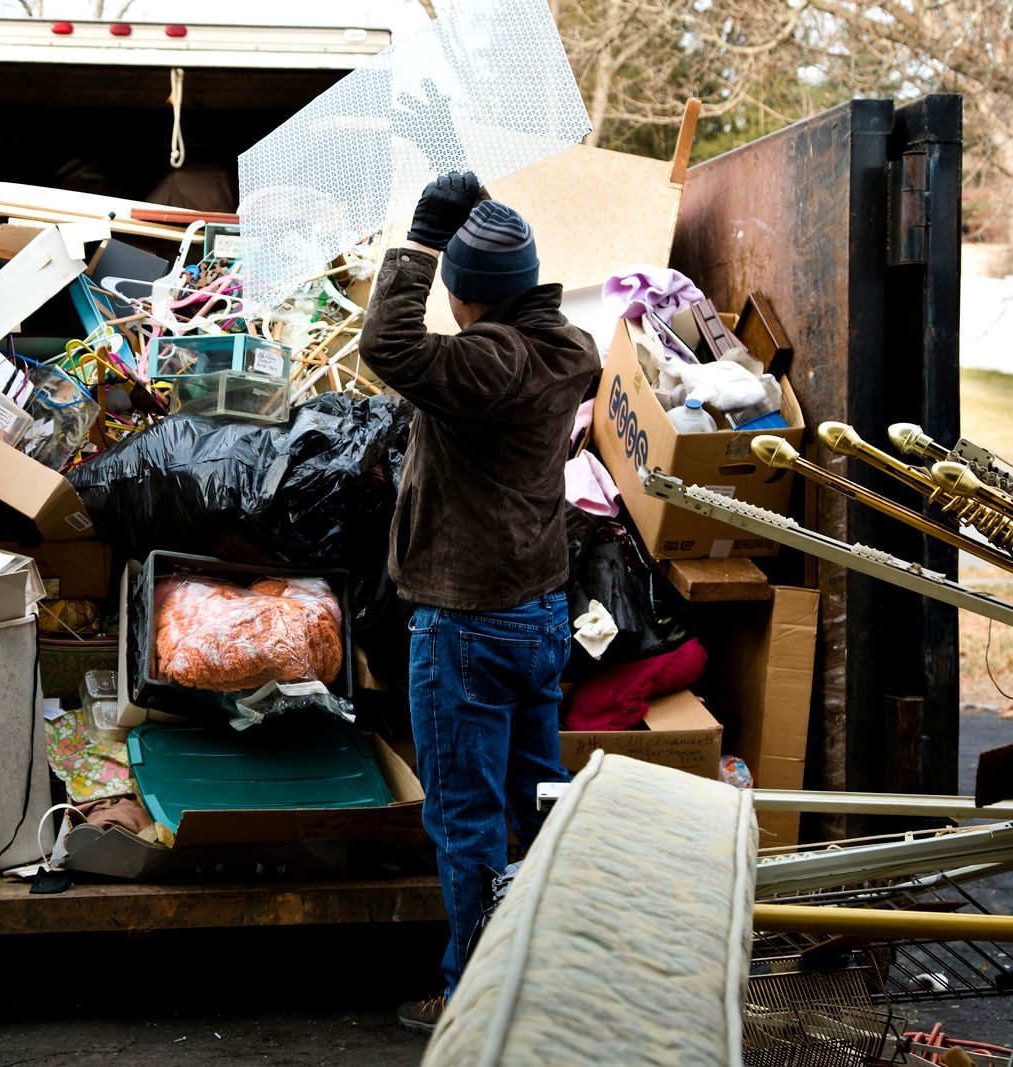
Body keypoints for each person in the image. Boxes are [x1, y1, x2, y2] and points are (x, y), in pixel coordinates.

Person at [357, 170, 601, 1035]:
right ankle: (548, 975)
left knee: (466, 821)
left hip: (466, 626)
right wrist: (489, 226)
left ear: (466, 296)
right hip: (539, 616)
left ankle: (473, 999)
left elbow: (386, 346)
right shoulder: (570, 349)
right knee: (539, 804)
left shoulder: (484, 363)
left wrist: (425, 240)